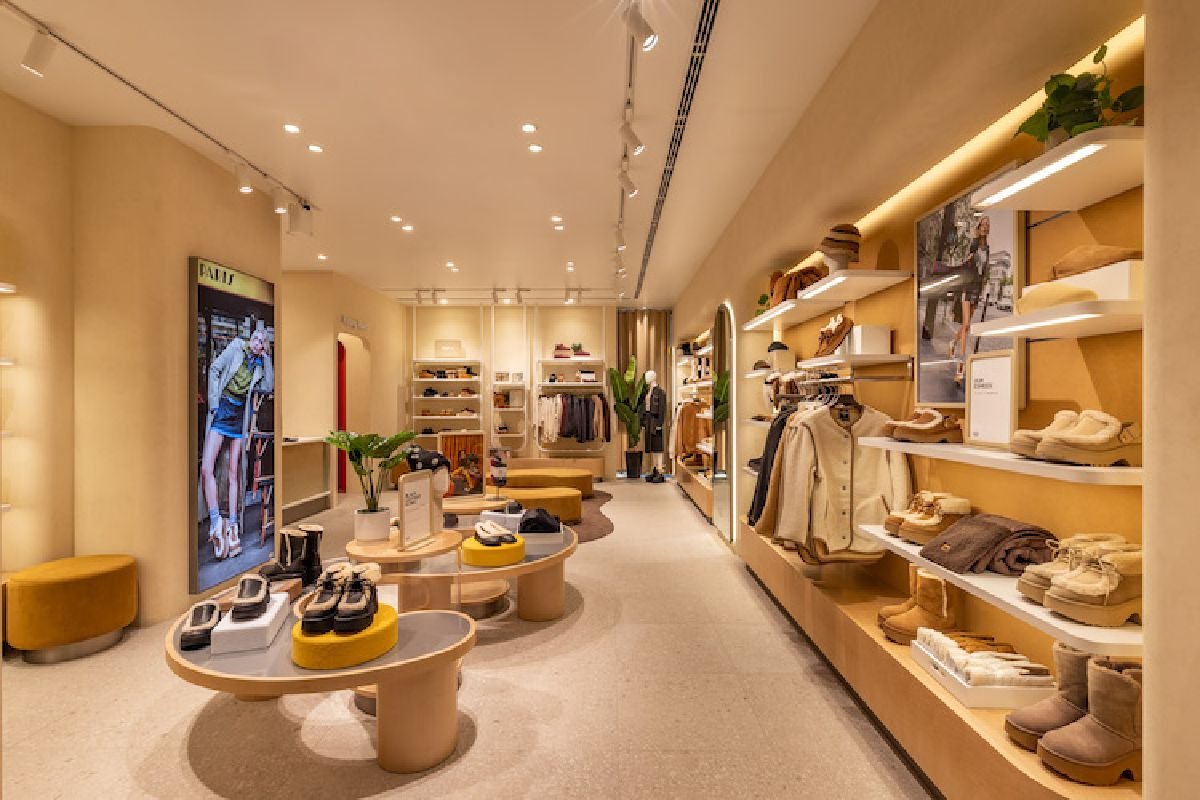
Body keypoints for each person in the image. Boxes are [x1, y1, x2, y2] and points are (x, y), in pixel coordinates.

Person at [200, 327, 274, 561]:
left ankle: (232, 526)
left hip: (239, 416)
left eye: (262, 342)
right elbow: (214, 369)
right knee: (206, 468)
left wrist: (267, 359)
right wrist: (213, 403)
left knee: (234, 472)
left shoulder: (260, 365)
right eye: (255, 338)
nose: (257, 343)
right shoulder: (235, 348)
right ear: (250, 339)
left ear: (264, 347)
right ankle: (215, 523)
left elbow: (269, 386)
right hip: (222, 408)